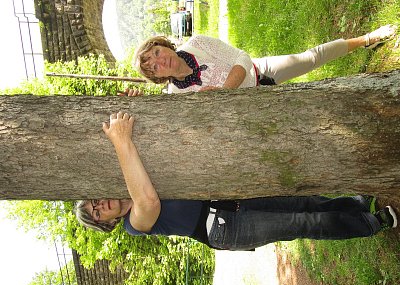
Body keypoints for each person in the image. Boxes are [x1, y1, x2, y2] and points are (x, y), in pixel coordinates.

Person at [74, 112, 398, 251]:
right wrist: (121, 142)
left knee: (303, 201)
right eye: (97, 212)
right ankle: (372, 224)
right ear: (108, 222)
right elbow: (148, 201)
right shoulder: (134, 223)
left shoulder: (129, 181)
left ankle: (357, 205)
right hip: (224, 228)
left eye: (93, 201)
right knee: (304, 221)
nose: (99, 205)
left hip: (227, 198)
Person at [120, 24, 397, 96]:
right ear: (156, 77)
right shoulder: (175, 96)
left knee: (311, 58)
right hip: (254, 112)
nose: (159, 62)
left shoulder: (197, 44)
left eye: (156, 53)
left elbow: (241, 56)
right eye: (152, 67)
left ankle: (367, 39)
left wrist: (225, 91)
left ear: (163, 46)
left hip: (259, 73)